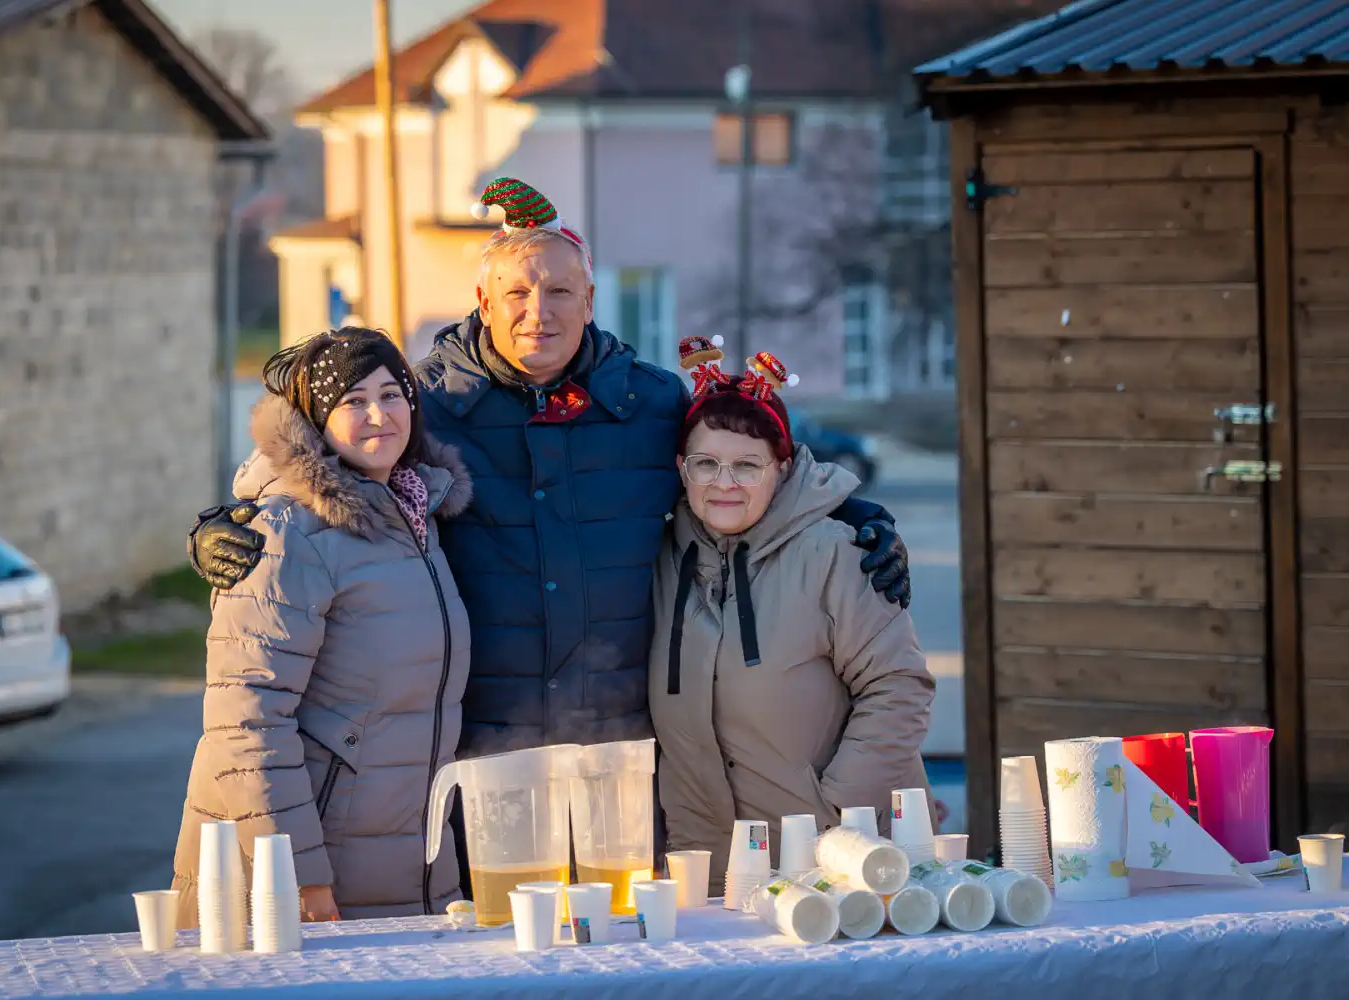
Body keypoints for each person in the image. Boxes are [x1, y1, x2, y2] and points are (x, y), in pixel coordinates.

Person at [185, 178, 913, 889]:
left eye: (561, 292)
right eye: (519, 293)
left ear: (590, 301)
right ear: (484, 302)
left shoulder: (651, 402)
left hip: (623, 758)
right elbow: (324, 451)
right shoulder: (429, 405)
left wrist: (850, 514)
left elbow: (748, 465)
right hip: (481, 763)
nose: (540, 312)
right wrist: (233, 516)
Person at [171, 328, 473, 923]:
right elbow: (247, 720)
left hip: (398, 853)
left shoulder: (414, 516)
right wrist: (297, 878)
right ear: (316, 418)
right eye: (352, 401)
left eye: (392, 395)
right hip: (307, 871)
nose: (378, 415)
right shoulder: (287, 532)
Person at [651, 344, 934, 893]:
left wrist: (834, 816)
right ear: (681, 469)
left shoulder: (834, 554)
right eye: (706, 463)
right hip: (710, 875)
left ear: (782, 469)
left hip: (836, 869)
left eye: (747, 465)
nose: (724, 482)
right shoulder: (662, 558)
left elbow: (900, 687)